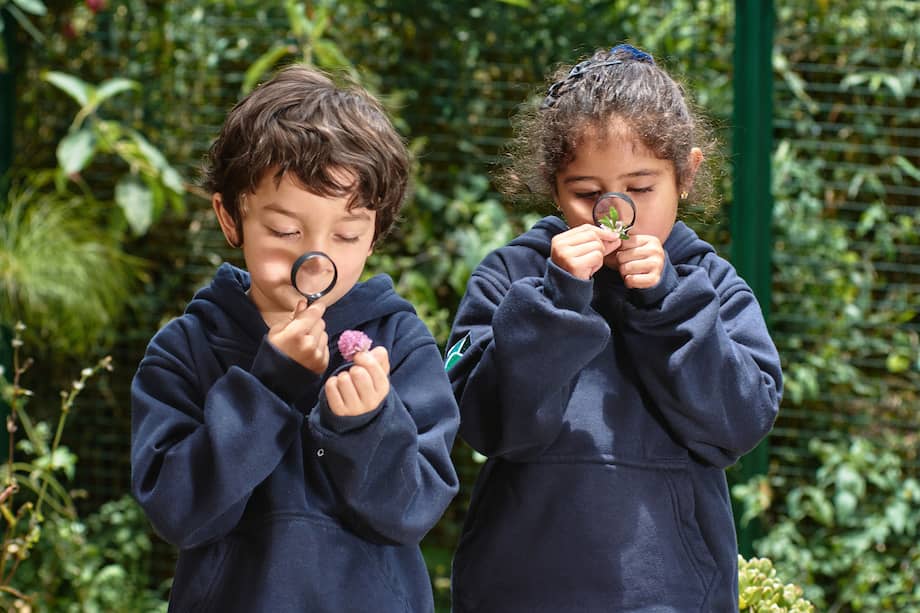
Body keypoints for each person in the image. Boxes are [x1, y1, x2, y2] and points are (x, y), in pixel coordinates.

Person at [445, 44, 782, 612]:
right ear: (553, 187)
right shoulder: (512, 276)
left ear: (687, 175)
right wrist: (557, 299)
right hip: (519, 595)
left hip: (670, 596)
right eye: (585, 193)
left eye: (640, 188)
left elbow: (737, 423)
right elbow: (487, 424)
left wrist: (669, 303)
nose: (613, 213)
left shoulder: (712, 286)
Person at [131, 64, 460, 612]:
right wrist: (269, 386)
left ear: (375, 234)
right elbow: (178, 512)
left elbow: (414, 509)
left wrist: (369, 425)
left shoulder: (398, 341)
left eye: (347, 234)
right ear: (231, 217)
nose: (317, 259)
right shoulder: (185, 349)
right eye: (285, 232)